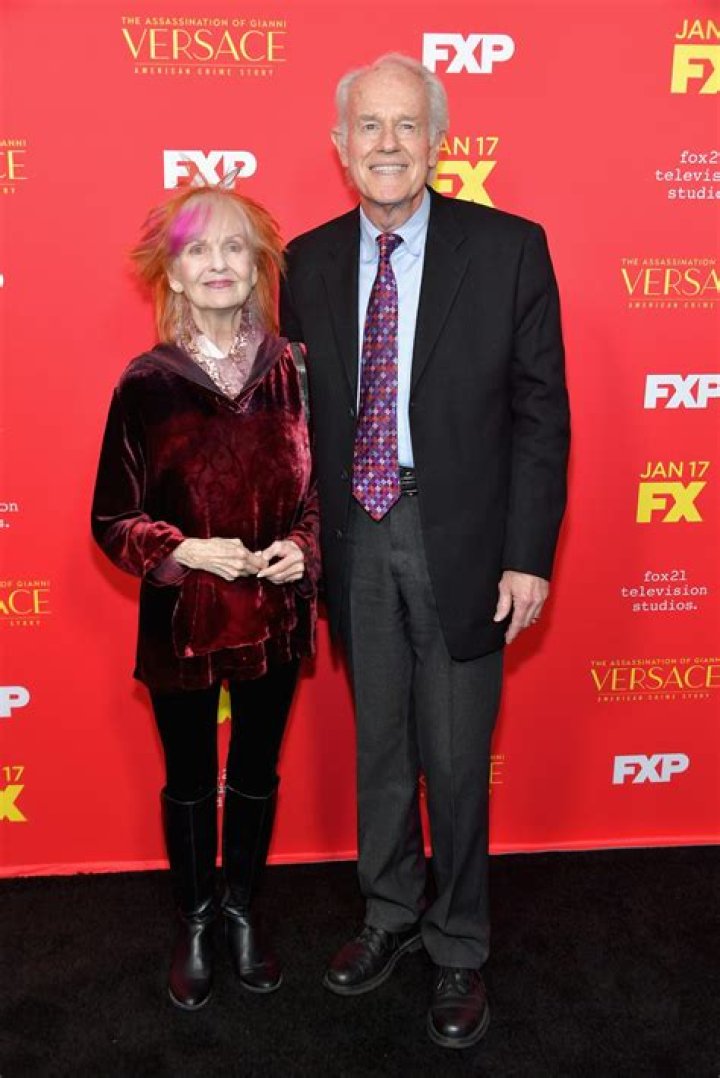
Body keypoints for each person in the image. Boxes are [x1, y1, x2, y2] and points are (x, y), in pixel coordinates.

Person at [280, 53, 570, 1049]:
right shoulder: (306, 263)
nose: (388, 144)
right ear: (341, 146)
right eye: (369, 126)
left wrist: (528, 554)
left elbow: (541, 414)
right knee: (381, 745)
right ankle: (391, 910)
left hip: (466, 540)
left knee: (453, 756)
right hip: (355, 533)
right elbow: (293, 425)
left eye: (407, 125)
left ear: (439, 143)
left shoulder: (510, 249)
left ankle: (457, 943)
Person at [92, 184, 319, 1011]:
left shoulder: (295, 370)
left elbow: (320, 494)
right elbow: (112, 520)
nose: (218, 263)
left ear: (257, 268)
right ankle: (194, 920)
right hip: (182, 625)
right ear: (175, 274)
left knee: (255, 770)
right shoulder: (146, 383)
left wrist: (305, 548)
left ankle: (240, 910)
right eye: (198, 250)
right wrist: (183, 549)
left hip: (273, 622)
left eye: (234, 248)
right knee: (189, 778)